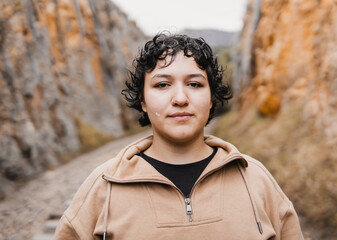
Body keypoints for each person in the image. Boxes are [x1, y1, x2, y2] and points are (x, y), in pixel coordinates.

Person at [54, 33, 304, 240]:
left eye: (195, 84)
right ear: (142, 100)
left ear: (210, 98)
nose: (181, 98)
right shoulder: (103, 187)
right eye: (162, 85)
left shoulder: (256, 179)